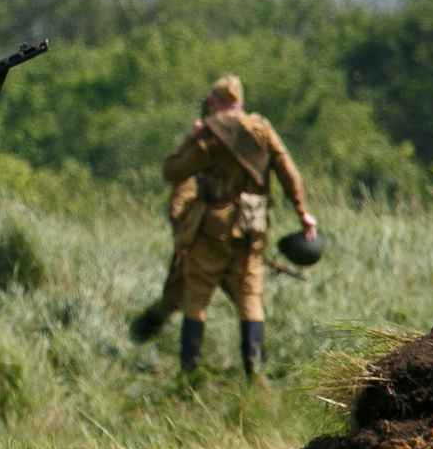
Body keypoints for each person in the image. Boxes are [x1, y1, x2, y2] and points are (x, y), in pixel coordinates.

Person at [160, 75, 315, 378]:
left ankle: (189, 374)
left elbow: (173, 171)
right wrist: (303, 213)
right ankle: (254, 374)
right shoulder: (261, 129)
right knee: (250, 296)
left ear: (213, 103)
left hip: (212, 226)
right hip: (252, 224)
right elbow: (288, 171)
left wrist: (192, 138)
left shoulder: (211, 134)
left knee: (197, 296)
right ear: (240, 103)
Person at [127, 178, 201, 345]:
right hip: (206, 245)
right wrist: (183, 236)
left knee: (249, 300)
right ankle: (141, 332)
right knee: (182, 296)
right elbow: (179, 203)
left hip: (242, 241)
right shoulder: (199, 170)